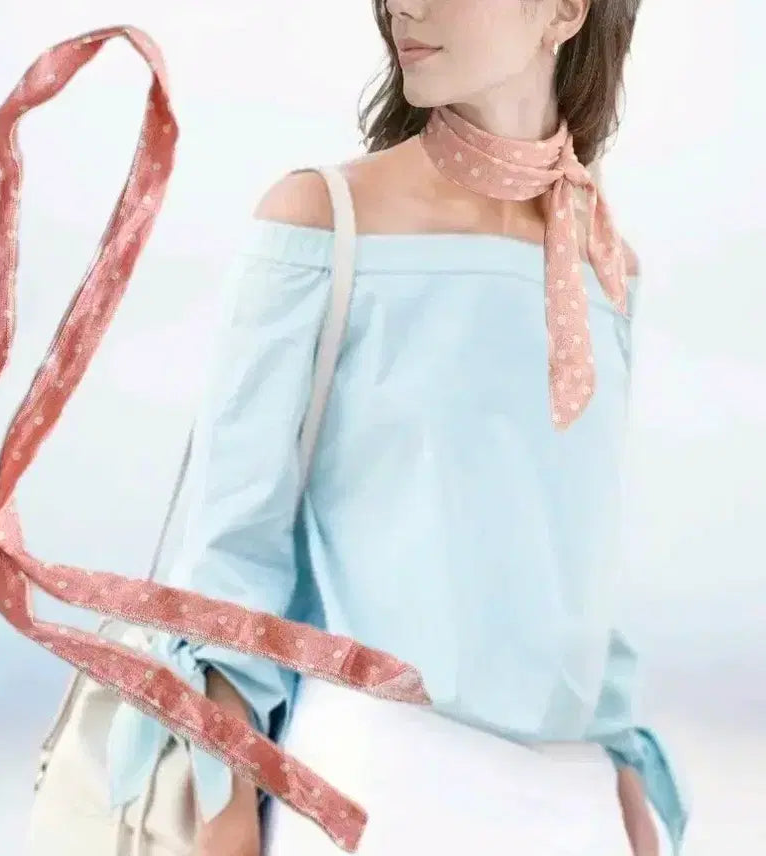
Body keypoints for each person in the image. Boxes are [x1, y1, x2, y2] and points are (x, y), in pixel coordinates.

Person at [105, 1, 689, 853]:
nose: (400, 5)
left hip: (575, 794)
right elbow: (232, 556)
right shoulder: (323, 220)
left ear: (566, 10)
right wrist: (226, 818)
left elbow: (581, 557)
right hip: (375, 776)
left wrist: (626, 789)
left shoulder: (606, 263)